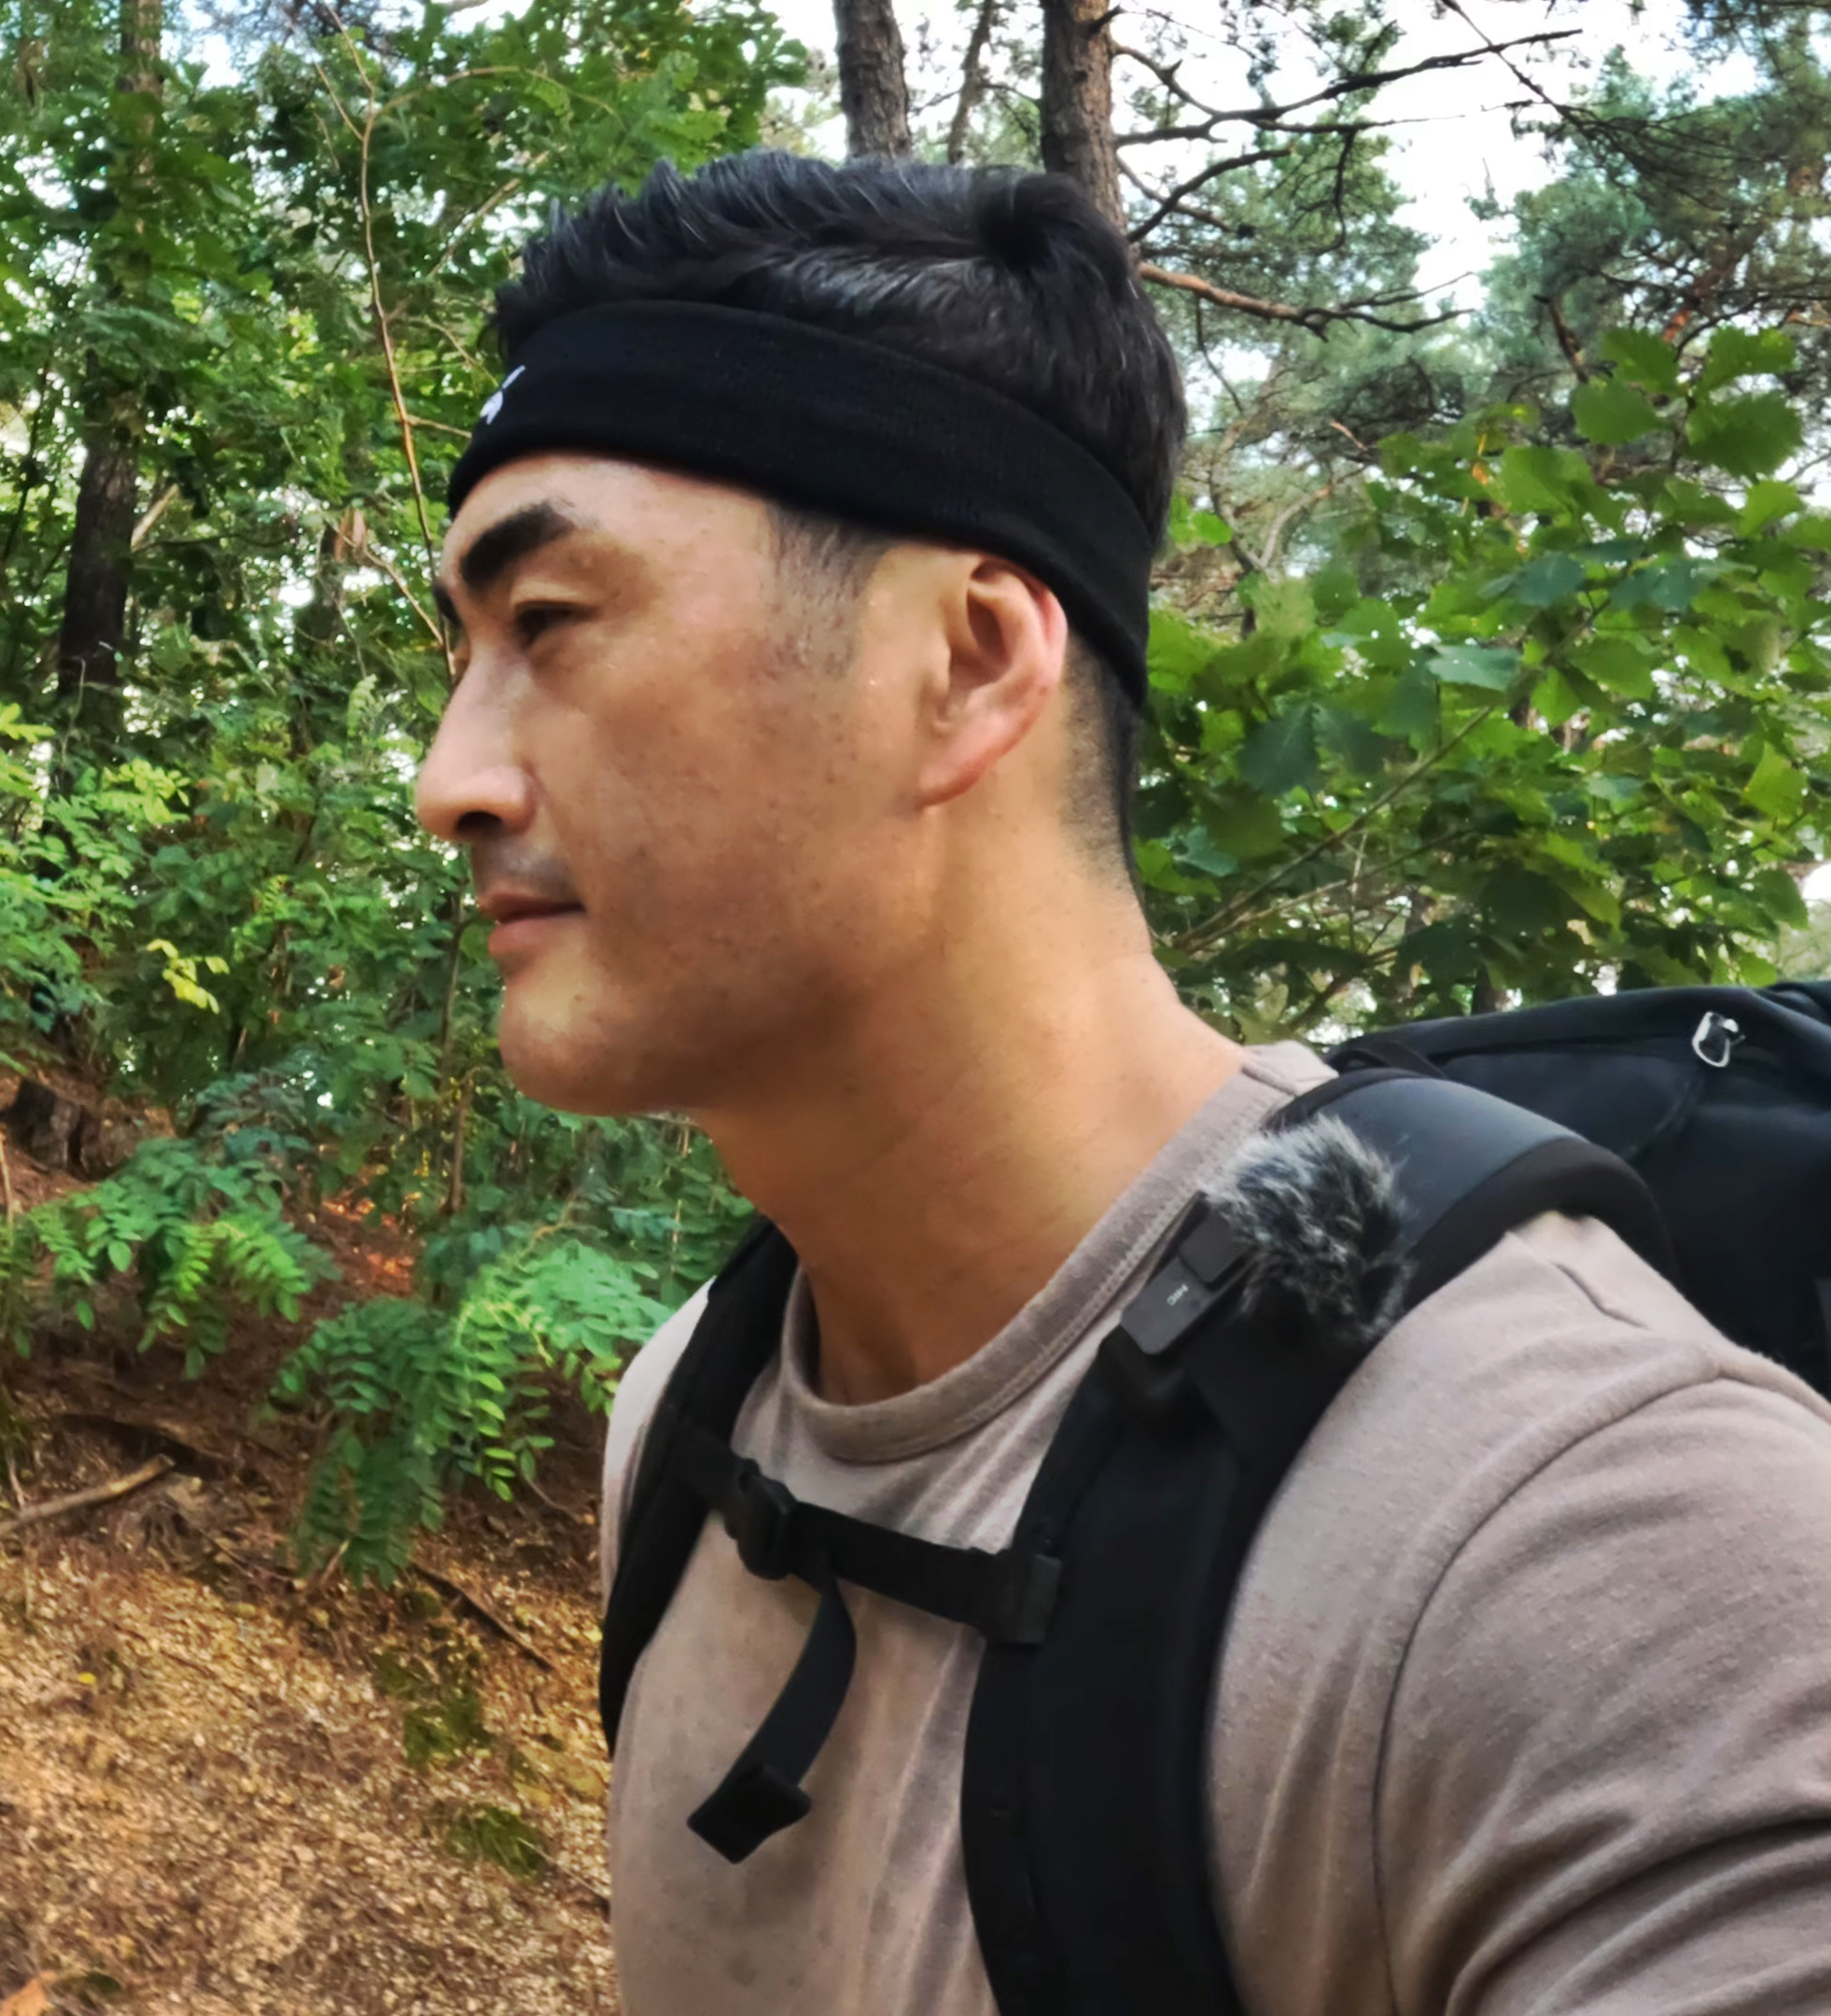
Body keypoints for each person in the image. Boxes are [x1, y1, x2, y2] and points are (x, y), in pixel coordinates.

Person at [411, 148, 1831, 2014]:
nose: (449, 780)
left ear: (972, 660)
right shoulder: (694, 1411)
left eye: (552, 626)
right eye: (462, 656)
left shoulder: (1591, 1550)